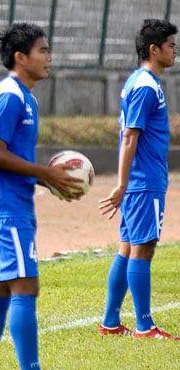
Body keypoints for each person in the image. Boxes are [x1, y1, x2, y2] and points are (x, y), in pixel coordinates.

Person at [0, 23, 81, 370]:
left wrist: (46, 179)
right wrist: (45, 172)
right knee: (25, 285)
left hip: (13, 205)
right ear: (21, 58)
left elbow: (12, 157)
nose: (49, 58)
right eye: (43, 51)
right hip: (5, 209)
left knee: (1, 287)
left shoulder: (26, 98)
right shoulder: (10, 96)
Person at [98, 19, 179, 340]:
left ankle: (110, 321)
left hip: (140, 180)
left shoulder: (138, 81)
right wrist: (121, 184)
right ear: (154, 49)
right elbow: (130, 137)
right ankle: (145, 326)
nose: (175, 51)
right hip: (144, 181)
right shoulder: (146, 86)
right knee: (143, 249)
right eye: (171, 45)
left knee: (129, 246)